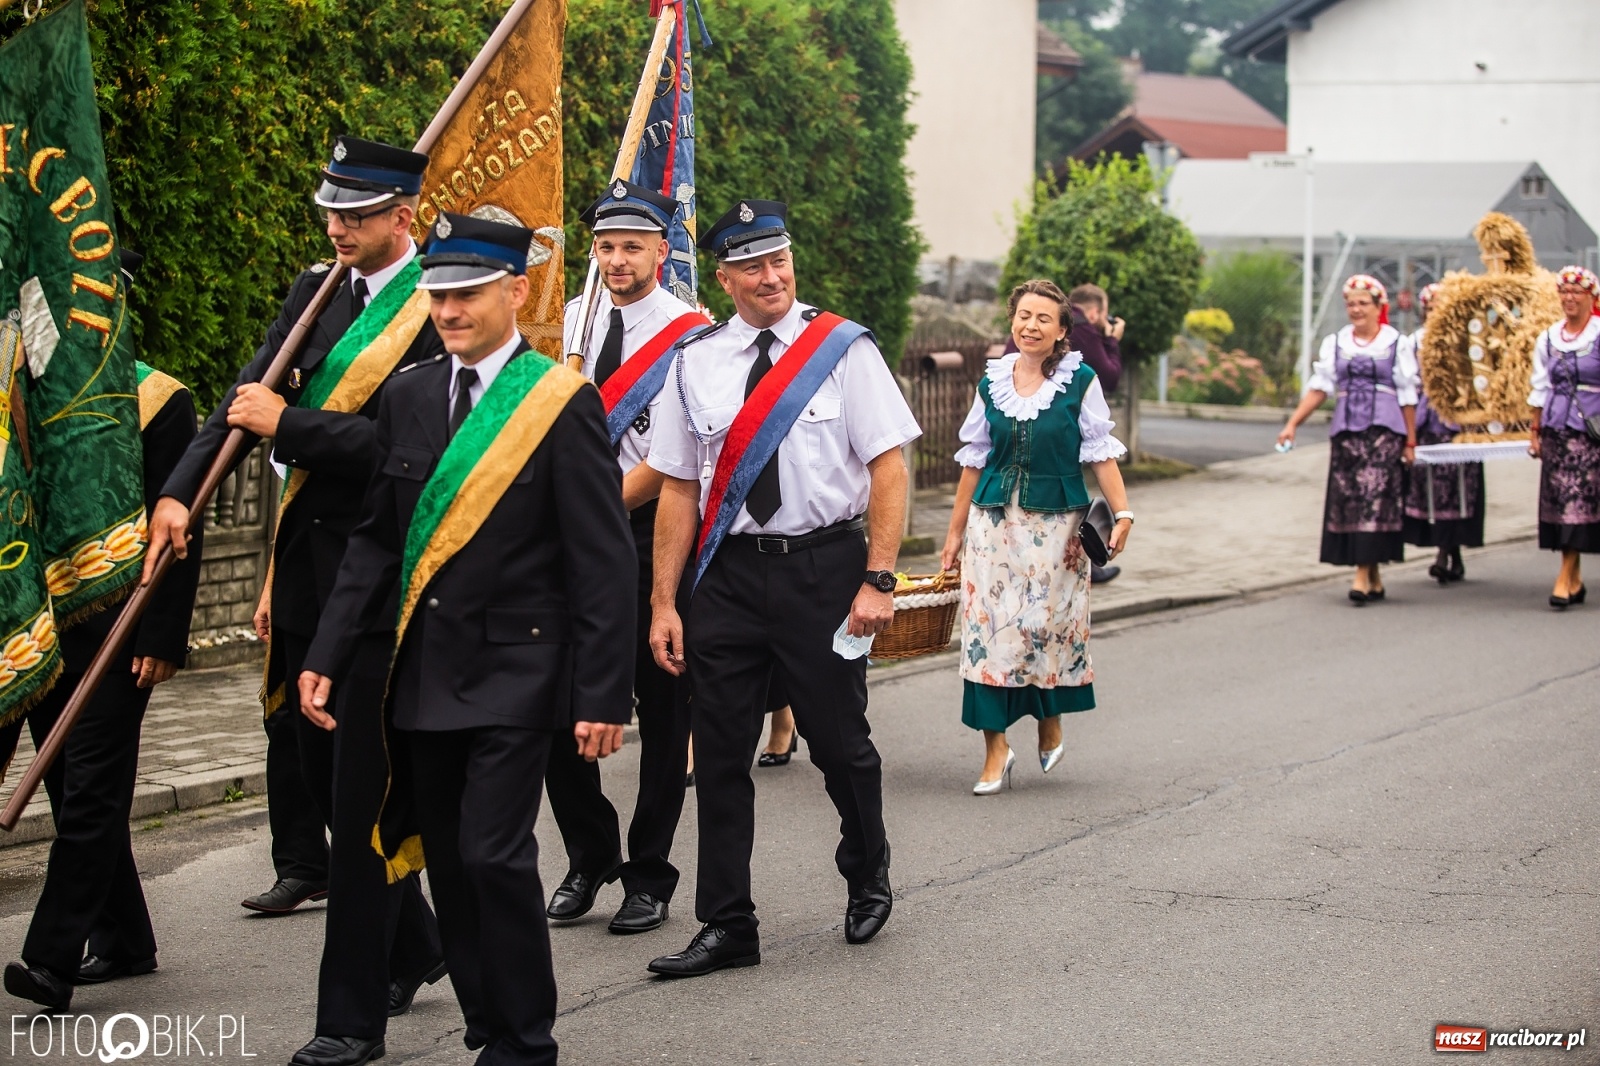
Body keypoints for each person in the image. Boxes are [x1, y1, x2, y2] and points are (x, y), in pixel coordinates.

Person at [299, 211, 636, 1066]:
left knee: (494, 853)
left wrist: (600, 695)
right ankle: (487, 1019)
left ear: (516, 291)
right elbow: (378, 540)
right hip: (421, 675)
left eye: (468, 295)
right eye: (439, 296)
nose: (449, 311)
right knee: (449, 860)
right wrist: (326, 652)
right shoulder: (411, 394)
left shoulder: (559, 401)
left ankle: (526, 1041)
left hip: (518, 671)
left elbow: (600, 564)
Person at [144, 137, 445, 1066]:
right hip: (309, 573)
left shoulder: (443, 307)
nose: (337, 228)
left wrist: (297, 428)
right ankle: (418, 944)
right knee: (319, 779)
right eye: (332, 212)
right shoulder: (315, 290)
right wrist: (178, 495)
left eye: (357, 215)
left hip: (387, 580)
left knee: (360, 791)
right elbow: (248, 398)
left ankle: (348, 1021)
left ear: (405, 217)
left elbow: (412, 451)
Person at [644, 199, 920, 977]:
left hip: (824, 570)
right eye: (752, 266)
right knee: (721, 754)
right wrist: (665, 601)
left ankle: (867, 871)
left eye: (779, 261)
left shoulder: (841, 349)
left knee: (840, 744)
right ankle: (728, 923)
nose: (770, 277)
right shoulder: (696, 360)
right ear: (723, 277)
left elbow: (889, 469)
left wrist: (878, 579)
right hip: (726, 577)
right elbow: (676, 489)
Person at [1, 252, 204, 1013]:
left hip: (119, 632)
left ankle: (50, 960)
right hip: (35, 629)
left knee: (90, 790)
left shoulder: (157, 399)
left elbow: (182, 524)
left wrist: (161, 636)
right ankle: (126, 936)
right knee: (67, 784)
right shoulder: (20, 397)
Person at [544, 179, 707, 935]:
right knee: (551, 701)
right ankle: (588, 850)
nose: (616, 259)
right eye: (605, 246)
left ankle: (649, 872)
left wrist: (597, 504)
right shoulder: (566, 322)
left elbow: (679, 460)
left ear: (661, 251)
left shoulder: (691, 333)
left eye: (631, 246)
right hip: (563, 541)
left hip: (646, 536)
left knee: (662, 711)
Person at [938, 279, 1132, 795]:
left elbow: (1099, 451)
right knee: (987, 632)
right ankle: (994, 748)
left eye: (1044, 318)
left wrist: (1124, 512)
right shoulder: (992, 383)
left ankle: (1050, 717)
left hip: (1057, 530)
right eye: (1024, 315)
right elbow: (973, 461)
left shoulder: (1080, 379)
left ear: (1063, 330)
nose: (1031, 326)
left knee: (1042, 629)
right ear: (1012, 321)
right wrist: (954, 534)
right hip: (993, 525)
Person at [1277, 274, 1419, 604]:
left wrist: (1410, 441)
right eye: (1351, 304)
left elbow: (1408, 395)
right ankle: (1373, 574)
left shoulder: (1396, 342)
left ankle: (1361, 573)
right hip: (1346, 432)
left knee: (1375, 500)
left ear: (1379, 307)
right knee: (1350, 500)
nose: (1356, 310)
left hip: (1384, 433)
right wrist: (1292, 424)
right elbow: (1319, 388)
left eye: (1362, 304)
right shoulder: (1336, 342)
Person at [1528, 265, 1600, 609]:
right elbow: (1539, 385)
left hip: (1590, 433)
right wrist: (1534, 431)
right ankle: (1572, 575)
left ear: (1591, 297)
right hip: (1557, 428)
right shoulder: (1549, 337)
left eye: (1577, 292)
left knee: (1580, 503)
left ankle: (1565, 575)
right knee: (1561, 504)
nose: (1569, 298)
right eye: (1564, 292)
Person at [1403, 283, 1485, 583]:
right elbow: (1408, 382)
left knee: (1458, 487)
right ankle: (1447, 552)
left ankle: (1448, 553)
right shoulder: (1414, 343)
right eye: (1429, 309)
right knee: (1431, 489)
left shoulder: (1463, 340)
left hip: (1456, 421)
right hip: (1427, 423)